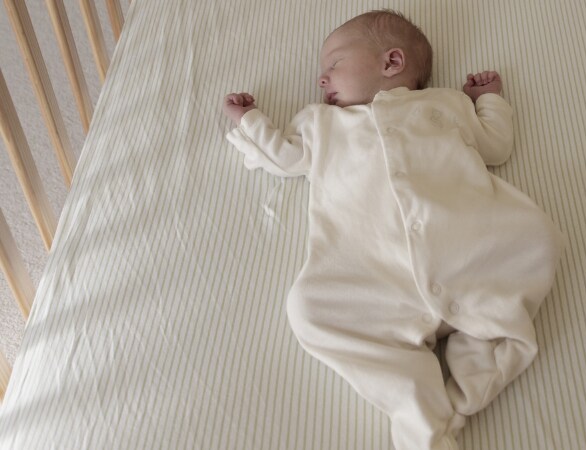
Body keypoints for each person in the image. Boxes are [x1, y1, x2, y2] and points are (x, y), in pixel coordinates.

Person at [221, 9, 563, 450]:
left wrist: (488, 100)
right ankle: (418, 406)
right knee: (308, 307)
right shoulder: (321, 124)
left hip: (465, 248)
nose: (321, 80)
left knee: (533, 239)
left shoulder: (444, 104)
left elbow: (496, 146)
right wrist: (250, 121)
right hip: (375, 275)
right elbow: (284, 158)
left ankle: (476, 367)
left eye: (333, 65)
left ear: (392, 63)